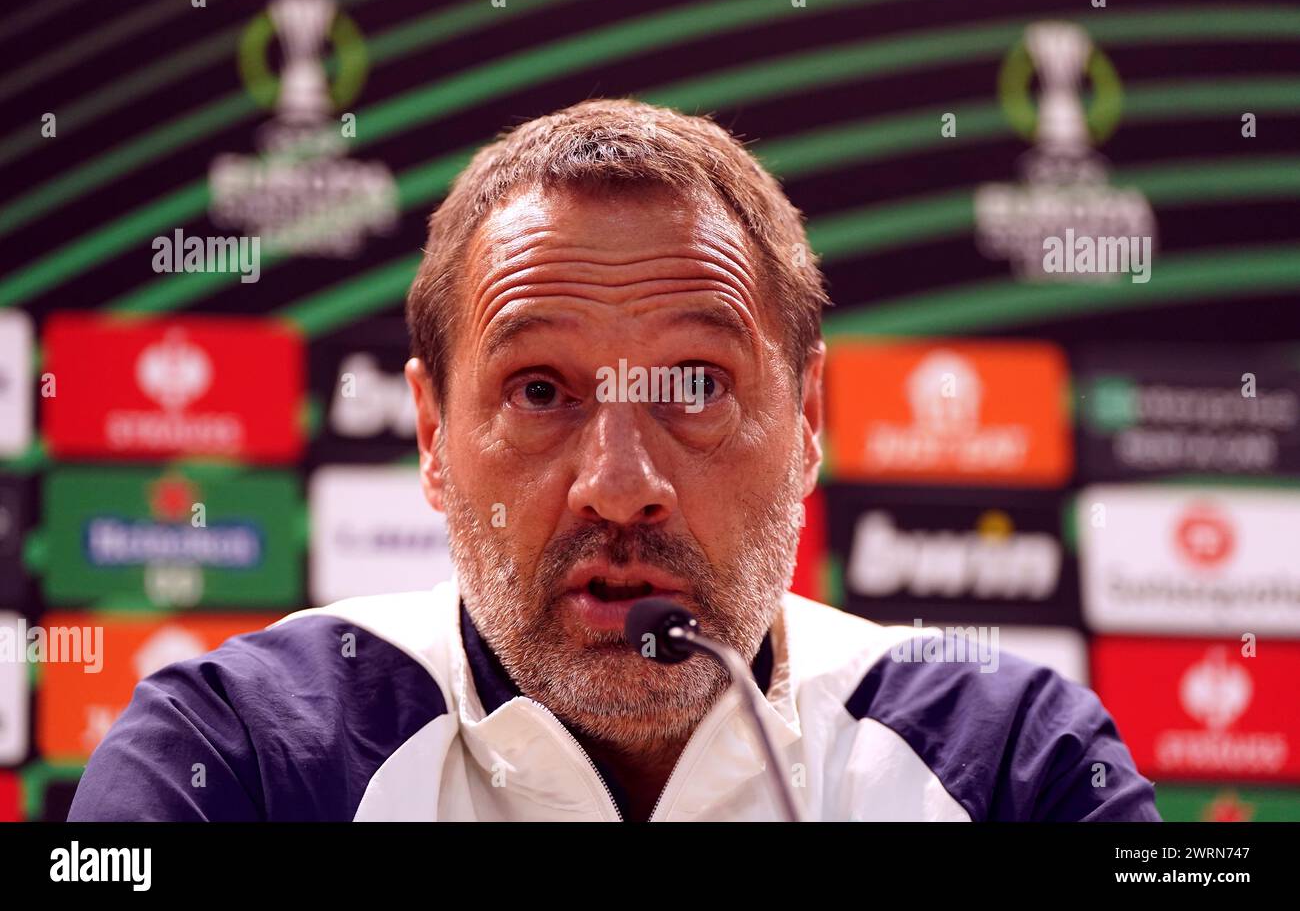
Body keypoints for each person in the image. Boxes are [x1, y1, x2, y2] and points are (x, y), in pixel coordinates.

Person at [68, 99, 1159, 821]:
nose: (621, 482)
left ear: (809, 417)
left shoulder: (1017, 762)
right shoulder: (237, 753)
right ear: (435, 437)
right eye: (541, 391)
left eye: (695, 384)